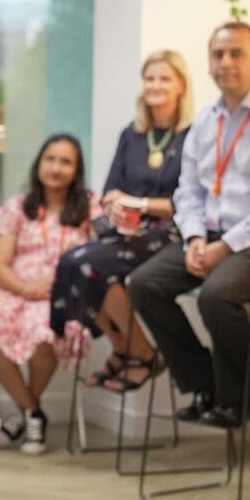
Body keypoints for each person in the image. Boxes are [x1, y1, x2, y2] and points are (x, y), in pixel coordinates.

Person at [129, 21, 250, 429]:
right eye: (218, 55)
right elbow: (188, 191)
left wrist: (225, 246)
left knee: (216, 295)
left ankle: (238, 399)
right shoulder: (205, 121)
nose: (226, 63)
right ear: (209, 64)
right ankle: (205, 385)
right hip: (215, 237)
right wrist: (196, 237)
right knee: (144, 284)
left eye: (236, 54)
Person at [50, 50, 193, 391]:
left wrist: (140, 203)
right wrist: (116, 207)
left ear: (181, 86)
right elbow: (111, 189)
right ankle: (129, 350)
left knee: (91, 267)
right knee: (72, 262)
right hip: (129, 231)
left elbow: (190, 203)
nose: (154, 85)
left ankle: (140, 354)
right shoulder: (132, 134)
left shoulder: (193, 135)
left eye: (164, 79)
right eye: (149, 78)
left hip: (172, 232)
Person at [0, 134, 99, 454]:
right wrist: (25, 287)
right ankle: (33, 412)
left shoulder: (89, 206)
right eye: (50, 159)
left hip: (63, 296)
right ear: (38, 163)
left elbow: (99, 257)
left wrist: (57, 287)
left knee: (47, 330)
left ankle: (24, 414)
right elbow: (0, 265)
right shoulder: (18, 207)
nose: (56, 168)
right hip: (17, 289)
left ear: (77, 169)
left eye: (66, 161)